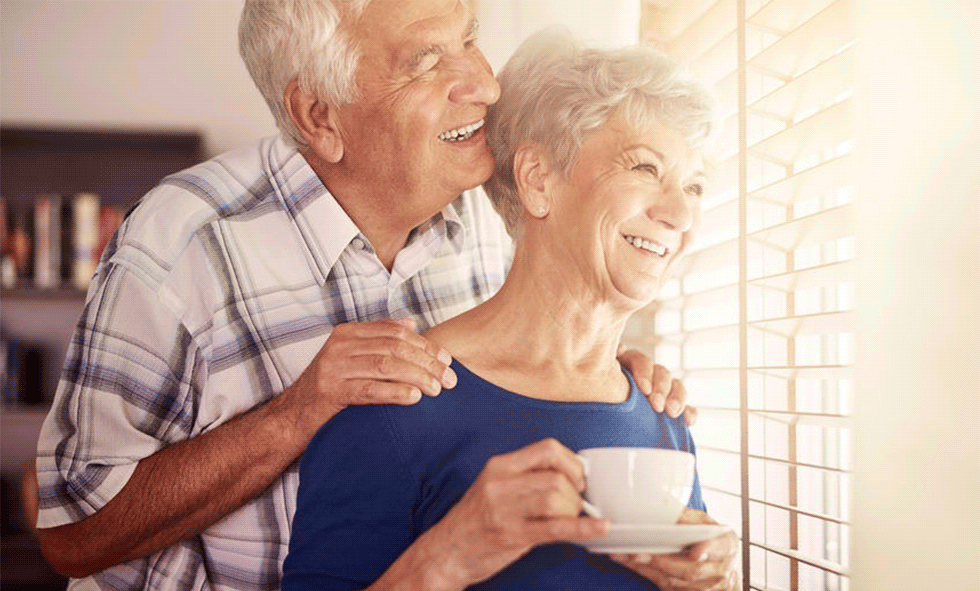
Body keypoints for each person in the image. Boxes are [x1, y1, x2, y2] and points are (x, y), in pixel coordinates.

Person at [32, 1, 693, 589]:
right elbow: (73, 533)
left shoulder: (482, 224)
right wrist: (297, 412)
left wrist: (600, 376)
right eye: (428, 60)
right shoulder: (181, 247)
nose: (484, 83)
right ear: (319, 114)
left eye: (469, 37)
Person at [282, 29, 738, 591]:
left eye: (693, 187)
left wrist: (707, 580)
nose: (678, 213)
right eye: (644, 169)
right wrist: (447, 558)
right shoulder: (393, 402)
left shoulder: (662, 413)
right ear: (538, 179)